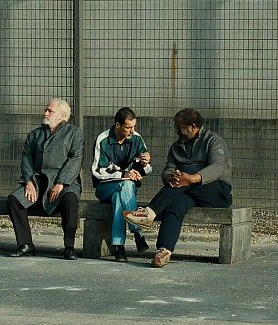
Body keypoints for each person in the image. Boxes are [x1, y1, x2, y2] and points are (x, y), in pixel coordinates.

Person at [123, 108, 232, 268]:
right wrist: (169, 176)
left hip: (217, 191)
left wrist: (191, 178)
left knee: (185, 177)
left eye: (180, 127)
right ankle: (164, 251)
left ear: (193, 126)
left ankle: (149, 213)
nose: (177, 130)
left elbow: (217, 167)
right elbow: (169, 168)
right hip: (187, 191)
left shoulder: (213, 141)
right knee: (176, 203)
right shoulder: (176, 147)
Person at [6, 98, 84, 260]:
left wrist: (61, 183)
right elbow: (26, 158)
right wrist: (28, 181)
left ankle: (69, 247)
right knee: (14, 200)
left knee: (70, 199)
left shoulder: (74, 133)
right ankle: (25, 244)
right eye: (46, 110)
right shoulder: (35, 134)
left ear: (62, 115)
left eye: (50, 111)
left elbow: (75, 159)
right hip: (38, 180)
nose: (46, 113)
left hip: (66, 181)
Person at [91, 107, 153, 262]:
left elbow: (147, 170)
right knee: (126, 185)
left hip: (126, 191)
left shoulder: (137, 139)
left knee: (121, 195)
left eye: (134, 127)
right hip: (104, 188)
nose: (132, 131)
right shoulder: (103, 139)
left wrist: (145, 163)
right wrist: (123, 175)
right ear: (117, 125)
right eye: (128, 127)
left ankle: (119, 247)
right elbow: (98, 171)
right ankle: (137, 231)